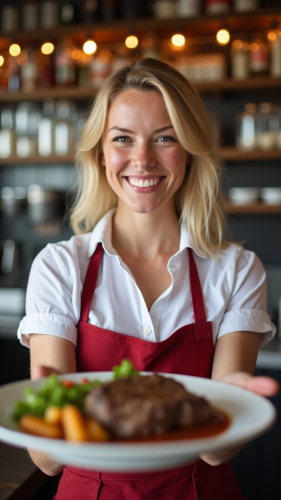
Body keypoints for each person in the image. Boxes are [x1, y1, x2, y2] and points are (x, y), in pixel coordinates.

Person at [18, 58, 279, 500]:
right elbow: (45, 459)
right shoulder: (60, 267)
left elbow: (219, 453)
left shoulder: (237, 269)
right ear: (101, 153)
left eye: (165, 138)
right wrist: (50, 409)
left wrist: (236, 407)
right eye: (123, 139)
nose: (142, 159)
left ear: (190, 149)